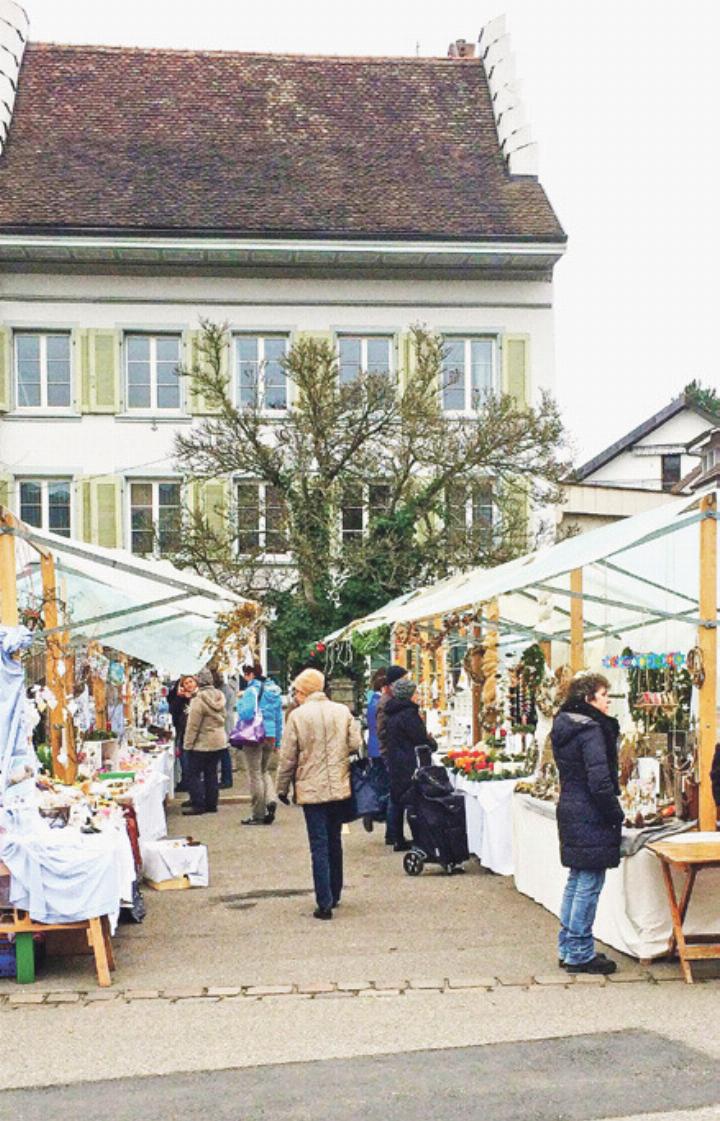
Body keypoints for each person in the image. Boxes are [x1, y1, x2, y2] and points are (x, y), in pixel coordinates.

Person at [551, 672, 623, 975]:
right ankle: (579, 951)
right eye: (604, 695)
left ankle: (568, 945)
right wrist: (614, 813)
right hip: (589, 811)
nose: (608, 701)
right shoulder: (591, 730)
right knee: (588, 883)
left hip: (571, 805)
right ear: (588, 698)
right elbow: (599, 781)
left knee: (577, 879)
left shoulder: (565, 725)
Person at [276, 668, 362, 919]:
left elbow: (288, 756)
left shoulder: (297, 717)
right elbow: (356, 744)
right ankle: (335, 892)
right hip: (338, 785)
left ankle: (323, 902)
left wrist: (282, 787)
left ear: (303, 692)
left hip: (310, 788)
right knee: (334, 840)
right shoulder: (342, 711)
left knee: (319, 844)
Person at [384, 676, 436, 852]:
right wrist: (431, 742)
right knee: (414, 800)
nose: (418, 696)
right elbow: (419, 738)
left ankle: (397, 836)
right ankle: (419, 839)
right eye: (415, 693)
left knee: (398, 798)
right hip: (409, 761)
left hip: (396, 759)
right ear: (408, 695)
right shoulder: (409, 714)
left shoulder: (392, 712)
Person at [236, 662, 284, 826]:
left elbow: (246, 714)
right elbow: (279, 718)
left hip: (255, 735)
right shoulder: (274, 690)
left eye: (245, 674)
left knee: (255, 773)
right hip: (270, 735)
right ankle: (271, 799)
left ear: (250, 674)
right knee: (264, 771)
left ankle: (258, 814)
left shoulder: (251, 690)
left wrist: (240, 702)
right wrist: (277, 740)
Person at [182, 667, 228, 816]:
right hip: (219, 741)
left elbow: (193, 725)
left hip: (202, 743)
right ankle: (211, 803)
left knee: (193, 774)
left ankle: (198, 803)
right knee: (211, 773)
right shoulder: (219, 696)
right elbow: (224, 717)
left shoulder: (198, 699)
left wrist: (187, 745)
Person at [376, 664, 408, 847]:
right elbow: (382, 730)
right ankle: (394, 834)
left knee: (394, 794)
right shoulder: (387, 702)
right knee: (395, 795)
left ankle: (392, 832)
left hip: (390, 750)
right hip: (391, 752)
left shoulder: (388, 700)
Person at [362, 668, 391, 837]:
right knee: (385, 784)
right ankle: (375, 811)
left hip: (373, 745)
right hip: (381, 747)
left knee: (377, 780)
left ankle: (374, 810)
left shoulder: (371, 700)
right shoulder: (382, 702)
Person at [167, 674, 197, 792]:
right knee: (184, 758)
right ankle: (186, 781)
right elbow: (172, 710)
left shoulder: (199, 696)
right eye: (186, 683)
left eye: (191, 681)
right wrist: (180, 697)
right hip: (183, 731)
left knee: (193, 762)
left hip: (197, 734)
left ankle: (193, 785)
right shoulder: (180, 697)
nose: (189, 685)